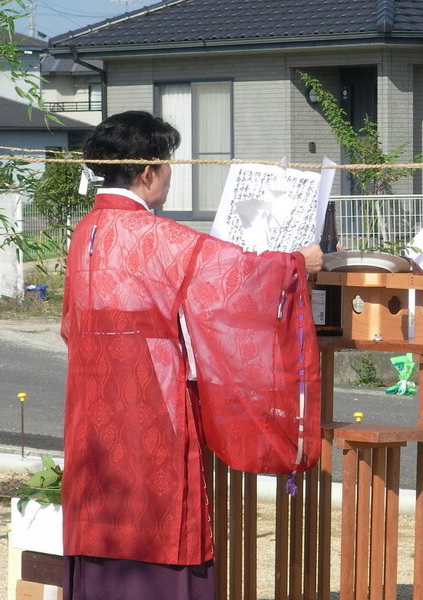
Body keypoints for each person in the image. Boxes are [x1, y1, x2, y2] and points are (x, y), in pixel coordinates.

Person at [60, 110, 323, 599]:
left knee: (102, 499)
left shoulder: (85, 231)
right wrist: (294, 263)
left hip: (92, 400)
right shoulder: (155, 235)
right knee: (158, 500)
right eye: (167, 163)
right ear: (148, 172)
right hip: (151, 399)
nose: (168, 174)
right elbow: (237, 277)